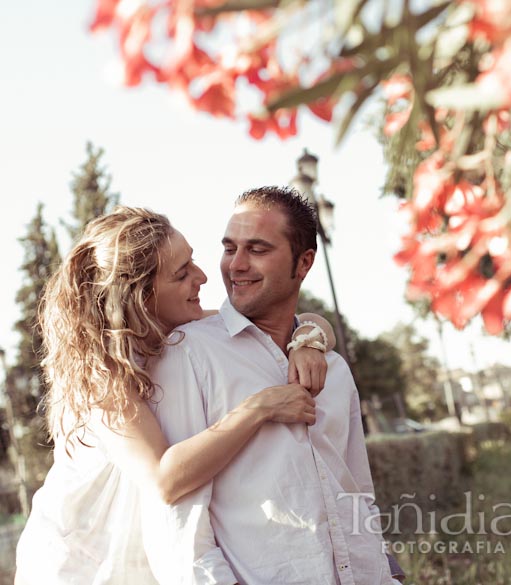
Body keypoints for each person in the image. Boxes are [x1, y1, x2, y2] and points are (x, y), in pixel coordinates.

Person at [15, 207, 336, 584]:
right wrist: (259, 407)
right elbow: (164, 479)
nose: (202, 277)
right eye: (182, 274)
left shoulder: (175, 330)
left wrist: (308, 340)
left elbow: (286, 323)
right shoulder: (102, 375)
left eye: (194, 262)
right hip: (83, 567)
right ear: (137, 296)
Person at [143, 186, 405, 584]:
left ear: (303, 263)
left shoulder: (332, 368)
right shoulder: (189, 353)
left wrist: (385, 572)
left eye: (258, 249)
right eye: (230, 248)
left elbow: (356, 491)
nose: (236, 265)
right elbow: (180, 525)